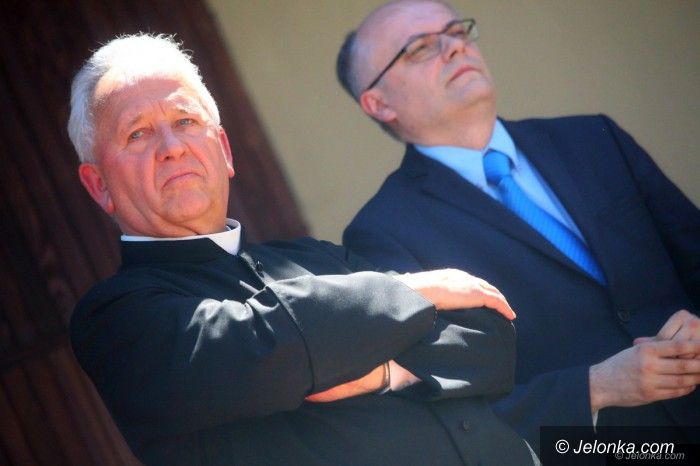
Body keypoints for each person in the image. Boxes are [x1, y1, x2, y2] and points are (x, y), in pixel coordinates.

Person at [67, 33, 540, 465]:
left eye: (185, 120)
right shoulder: (114, 317)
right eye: (138, 133)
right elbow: (259, 350)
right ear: (99, 185)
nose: (171, 146)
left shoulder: (317, 258)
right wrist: (414, 292)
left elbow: (491, 340)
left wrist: (386, 372)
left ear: (224, 150)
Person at [338, 0, 700, 454]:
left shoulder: (592, 138)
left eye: (457, 32)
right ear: (379, 103)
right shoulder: (383, 232)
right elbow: (449, 412)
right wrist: (595, 387)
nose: (455, 48)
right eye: (421, 48)